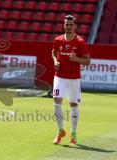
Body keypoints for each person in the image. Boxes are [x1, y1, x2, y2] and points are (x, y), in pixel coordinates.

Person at [52, 15, 90, 145]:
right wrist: (56, 61)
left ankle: (73, 133)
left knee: (73, 105)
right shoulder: (58, 40)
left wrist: (76, 59)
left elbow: (87, 61)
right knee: (56, 102)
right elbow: (53, 52)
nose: (68, 27)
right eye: (66, 25)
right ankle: (60, 131)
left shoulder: (80, 42)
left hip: (74, 78)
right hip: (59, 76)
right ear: (64, 25)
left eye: (71, 25)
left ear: (75, 26)